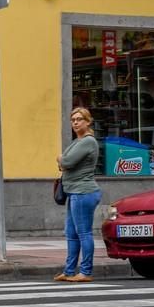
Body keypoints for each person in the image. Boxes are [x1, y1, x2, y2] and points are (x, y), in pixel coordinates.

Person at [54, 107, 102, 283]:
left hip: (83, 192)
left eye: (79, 119)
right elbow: (65, 163)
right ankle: (68, 271)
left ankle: (85, 272)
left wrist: (61, 159)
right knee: (71, 233)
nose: (75, 122)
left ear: (88, 122)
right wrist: (63, 161)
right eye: (73, 119)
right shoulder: (78, 141)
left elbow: (66, 160)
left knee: (83, 233)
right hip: (74, 192)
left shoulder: (87, 141)